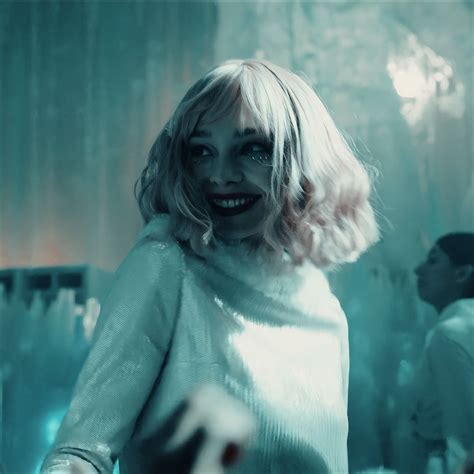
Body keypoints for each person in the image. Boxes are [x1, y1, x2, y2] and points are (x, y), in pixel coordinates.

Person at [41, 58, 379, 473]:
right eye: (201, 151)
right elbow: (79, 454)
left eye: (253, 149)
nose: (220, 175)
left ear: (303, 159)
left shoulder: (326, 310)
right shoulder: (164, 267)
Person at [411, 233, 474, 473]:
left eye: (433, 260)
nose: (418, 270)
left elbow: (464, 442)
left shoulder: (449, 334)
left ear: (462, 273)